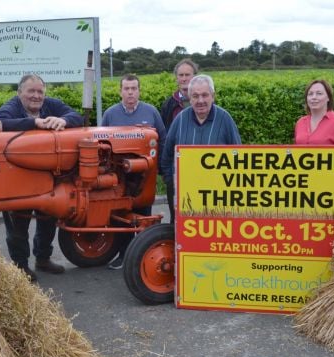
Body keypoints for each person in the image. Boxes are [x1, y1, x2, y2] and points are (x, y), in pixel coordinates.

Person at [0, 74, 84, 281]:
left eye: (40, 92)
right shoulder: (10, 107)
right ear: (20, 93)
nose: (36, 96)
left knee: (48, 219)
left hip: (49, 176)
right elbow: (1, 122)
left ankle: (43, 259)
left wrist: (63, 120)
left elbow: (76, 116)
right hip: (18, 178)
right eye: (31, 91)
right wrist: (35, 123)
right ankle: (20, 267)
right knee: (17, 225)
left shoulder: (52, 105)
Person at [100, 74, 166, 270]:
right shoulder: (110, 114)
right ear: (120, 91)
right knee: (121, 216)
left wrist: (160, 168)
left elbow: (161, 138)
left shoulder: (151, 112)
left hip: (144, 174)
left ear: (139, 91)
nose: (130, 92)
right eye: (127, 88)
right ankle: (124, 255)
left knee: (143, 214)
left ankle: (145, 254)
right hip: (119, 175)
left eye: (134, 88)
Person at [160, 74, 242, 224]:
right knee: (181, 235)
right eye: (195, 96)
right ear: (189, 98)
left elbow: (238, 156)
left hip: (217, 197)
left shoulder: (225, 119)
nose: (200, 101)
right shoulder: (180, 120)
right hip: (185, 196)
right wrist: (172, 181)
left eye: (205, 95)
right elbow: (166, 157)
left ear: (213, 96)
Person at [294, 79, 334, 173]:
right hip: (305, 183)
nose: (314, 97)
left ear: (328, 97)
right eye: (310, 94)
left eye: (319, 93)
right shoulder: (300, 123)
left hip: (330, 182)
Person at [160, 59, 198, 129]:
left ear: (194, 77)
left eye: (187, 75)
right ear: (176, 78)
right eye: (181, 75)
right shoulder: (168, 104)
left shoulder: (204, 101)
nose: (184, 79)